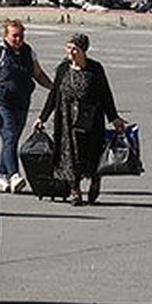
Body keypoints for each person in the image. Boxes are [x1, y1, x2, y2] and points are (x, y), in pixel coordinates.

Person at [34, 33, 126, 206]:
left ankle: (95, 179)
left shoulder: (95, 69)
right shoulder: (63, 69)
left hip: (90, 119)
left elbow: (105, 94)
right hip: (66, 119)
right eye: (68, 48)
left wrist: (114, 117)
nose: (71, 52)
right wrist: (42, 118)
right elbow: (54, 95)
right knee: (68, 155)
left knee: (90, 153)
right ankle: (75, 191)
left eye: (74, 49)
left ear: (83, 51)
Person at [0, 18, 52, 193]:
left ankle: (2, 176)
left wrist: (54, 88)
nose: (18, 40)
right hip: (2, 103)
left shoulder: (28, 52)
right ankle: (14, 175)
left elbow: (38, 74)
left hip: (22, 102)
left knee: (10, 140)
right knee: (10, 136)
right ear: (6, 36)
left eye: (21, 36)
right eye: (14, 36)